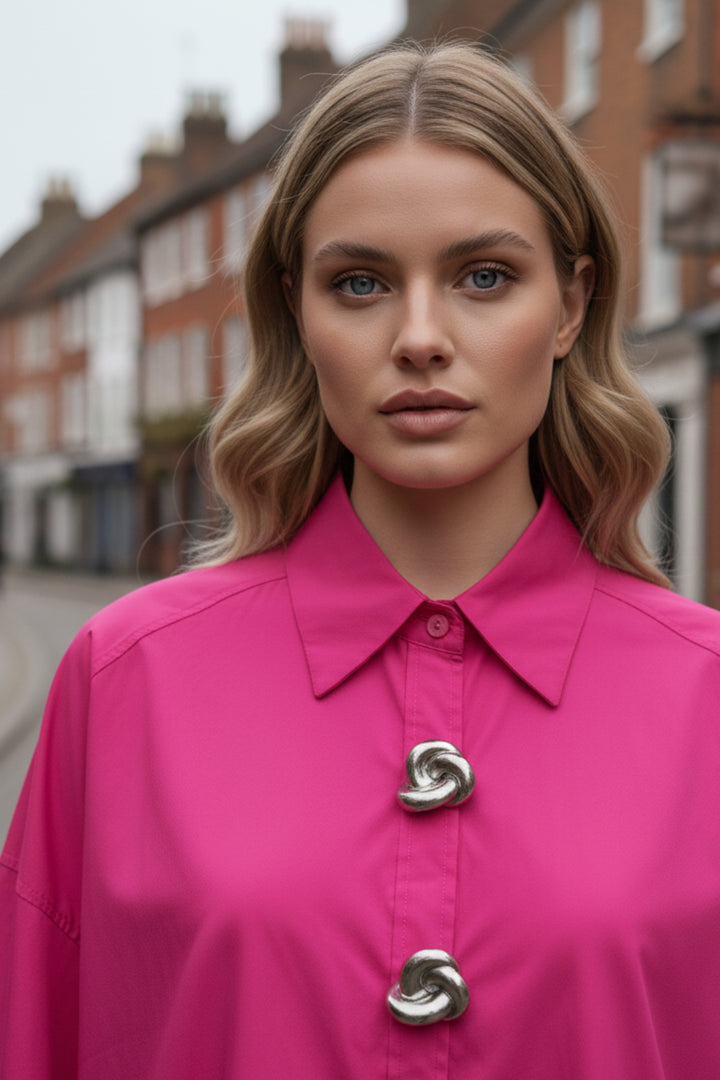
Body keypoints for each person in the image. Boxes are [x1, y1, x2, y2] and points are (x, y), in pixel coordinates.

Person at [1, 41, 719, 1080]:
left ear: (568, 306)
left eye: (484, 276)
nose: (420, 336)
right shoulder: (127, 681)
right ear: (297, 308)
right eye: (361, 282)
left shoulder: (703, 696)